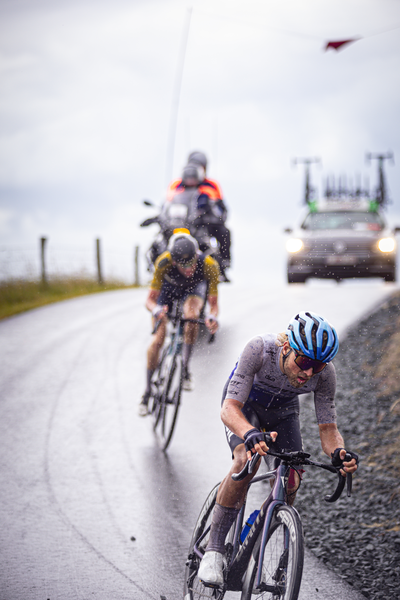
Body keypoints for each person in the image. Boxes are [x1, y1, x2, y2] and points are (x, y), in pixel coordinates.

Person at [197, 311, 359, 586]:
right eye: (305, 361)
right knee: (245, 460)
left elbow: (328, 430)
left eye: (317, 366)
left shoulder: (325, 375)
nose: (308, 372)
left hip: (283, 412)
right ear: (286, 347)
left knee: (292, 477)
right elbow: (229, 408)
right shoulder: (259, 350)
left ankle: (258, 538)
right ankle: (213, 550)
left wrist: (338, 453)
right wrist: (249, 432)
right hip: (244, 405)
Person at [138, 228, 220, 416]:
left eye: (191, 264)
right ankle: (147, 392)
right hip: (168, 290)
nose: (189, 270)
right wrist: (157, 310)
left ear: (196, 255)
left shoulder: (209, 265)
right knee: (158, 339)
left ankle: (185, 369)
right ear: (174, 261)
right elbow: (149, 300)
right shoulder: (164, 262)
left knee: (191, 315)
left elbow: (214, 305)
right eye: (183, 266)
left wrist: (212, 317)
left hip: (194, 290)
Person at [166, 151, 232, 280]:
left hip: (204, 222)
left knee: (224, 232)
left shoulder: (212, 185)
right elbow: (168, 203)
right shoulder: (176, 184)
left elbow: (219, 207)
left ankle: (223, 263)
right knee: (161, 234)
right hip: (181, 221)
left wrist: (209, 212)